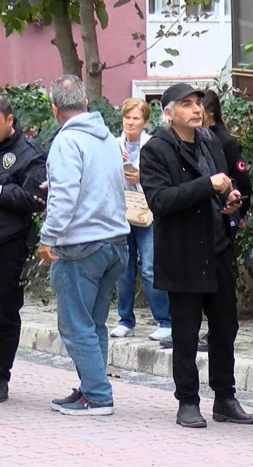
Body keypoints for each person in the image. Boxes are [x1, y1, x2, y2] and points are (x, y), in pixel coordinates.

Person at [139, 83, 253, 429]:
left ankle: (225, 397)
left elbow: (222, 191)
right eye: (186, 104)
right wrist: (209, 185)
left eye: (198, 103)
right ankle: (187, 401)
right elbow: (160, 201)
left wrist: (230, 202)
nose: (196, 109)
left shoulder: (211, 141)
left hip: (217, 249)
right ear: (168, 112)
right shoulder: (156, 150)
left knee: (225, 329)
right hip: (182, 255)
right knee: (186, 334)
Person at [39, 75, 130, 416]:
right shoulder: (107, 139)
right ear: (86, 104)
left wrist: (48, 239)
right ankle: (90, 387)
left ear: (54, 108)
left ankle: (97, 395)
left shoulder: (66, 142)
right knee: (94, 325)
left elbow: (64, 197)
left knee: (76, 326)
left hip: (80, 245)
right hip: (116, 241)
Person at [0, 93, 46, 403]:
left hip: (7, 246)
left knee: (6, 316)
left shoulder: (29, 153)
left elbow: (35, 200)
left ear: (9, 121)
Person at [110, 98, 172, 341]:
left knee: (149, 267)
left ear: (145, 122)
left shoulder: (153, 146)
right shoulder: (113, 145)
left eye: (136, 118)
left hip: (146, 213)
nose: (130, 122)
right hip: (121, 213)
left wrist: (141, 177)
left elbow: (162, 178)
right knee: (123, 269)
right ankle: (125, 320)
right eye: (127, 117)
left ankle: (165, 320)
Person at [202, 89, 253, 230]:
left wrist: (240, 211)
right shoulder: (197, 137)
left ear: (210, 112)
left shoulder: (225, 141)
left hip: (223, 211)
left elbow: (242, 180)